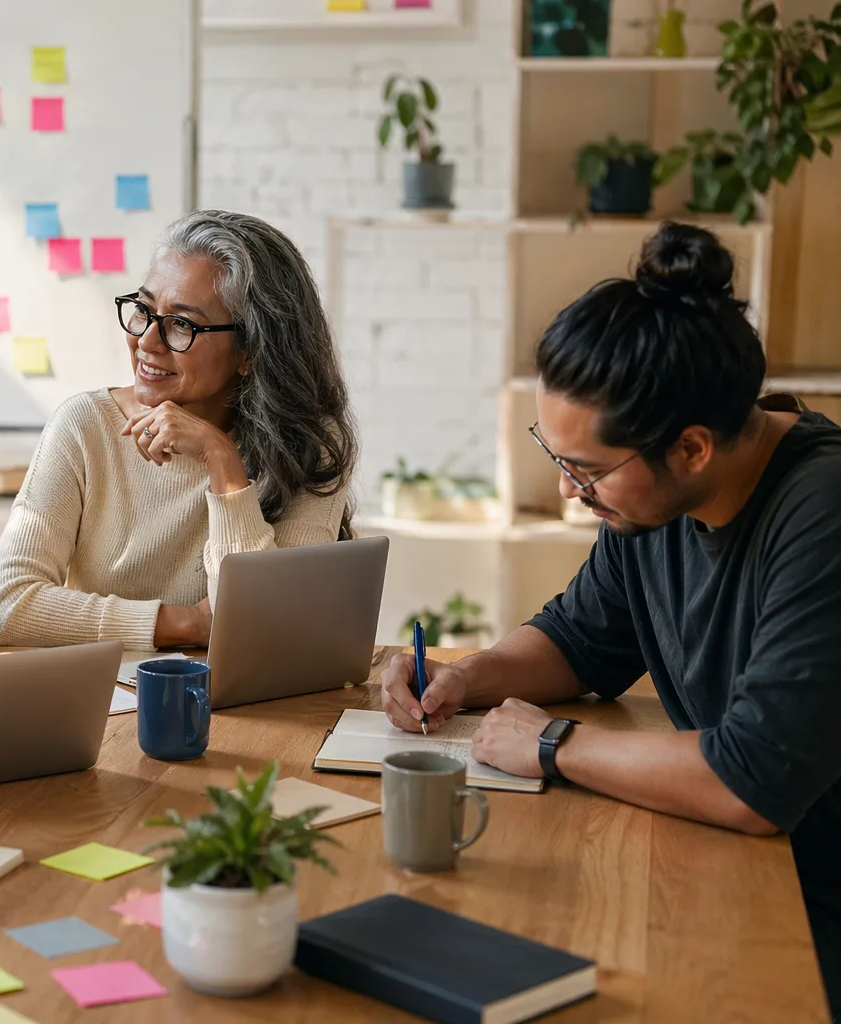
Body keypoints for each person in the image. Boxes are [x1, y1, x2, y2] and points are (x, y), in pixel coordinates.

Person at [379, 222, 841, 1014]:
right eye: (555, 456)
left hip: (809, 905)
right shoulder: (650, 504)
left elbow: (752, 784)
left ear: (691, 449)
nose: (567, 490)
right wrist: (469, 677)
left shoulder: (821, 513)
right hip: (734, 862)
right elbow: (579, 640)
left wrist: (555, 744)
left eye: (585, 469)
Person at [0, 209, 357, 651]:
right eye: (144, 309)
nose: (146, 341)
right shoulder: (85, 427)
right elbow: (9, 606)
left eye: (181, 323)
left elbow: (268, 633)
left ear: (251, 350)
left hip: (248, 708)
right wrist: (185, 624)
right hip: (105, 709)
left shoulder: (310, 445)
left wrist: (222, 461)